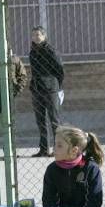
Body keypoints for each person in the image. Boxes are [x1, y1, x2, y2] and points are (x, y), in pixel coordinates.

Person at [29, 26, 64, 157]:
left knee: (54, 120)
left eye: (38, 35)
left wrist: (56, 85)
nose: (36, 37)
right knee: (40, 121)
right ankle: (44, 149)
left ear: (44, 36)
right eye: (34, 35)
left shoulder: (50, 51)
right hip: (37, 89)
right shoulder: (32, 52)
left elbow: (60, 69)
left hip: (50, 90)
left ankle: (58, 149)